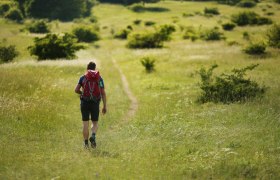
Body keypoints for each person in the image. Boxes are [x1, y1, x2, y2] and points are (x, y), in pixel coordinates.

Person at [75, 62, 107, 148]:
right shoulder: (99, 78)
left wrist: (83, 93)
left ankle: (86, 144)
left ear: (87, 68)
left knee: (85, 124)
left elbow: (76, 90)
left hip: (84, 102)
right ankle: (93, 136)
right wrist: (104, 106)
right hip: (95, 103)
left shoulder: (83, 78)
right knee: (95, 123)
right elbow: (103, 93)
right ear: (95, 68)